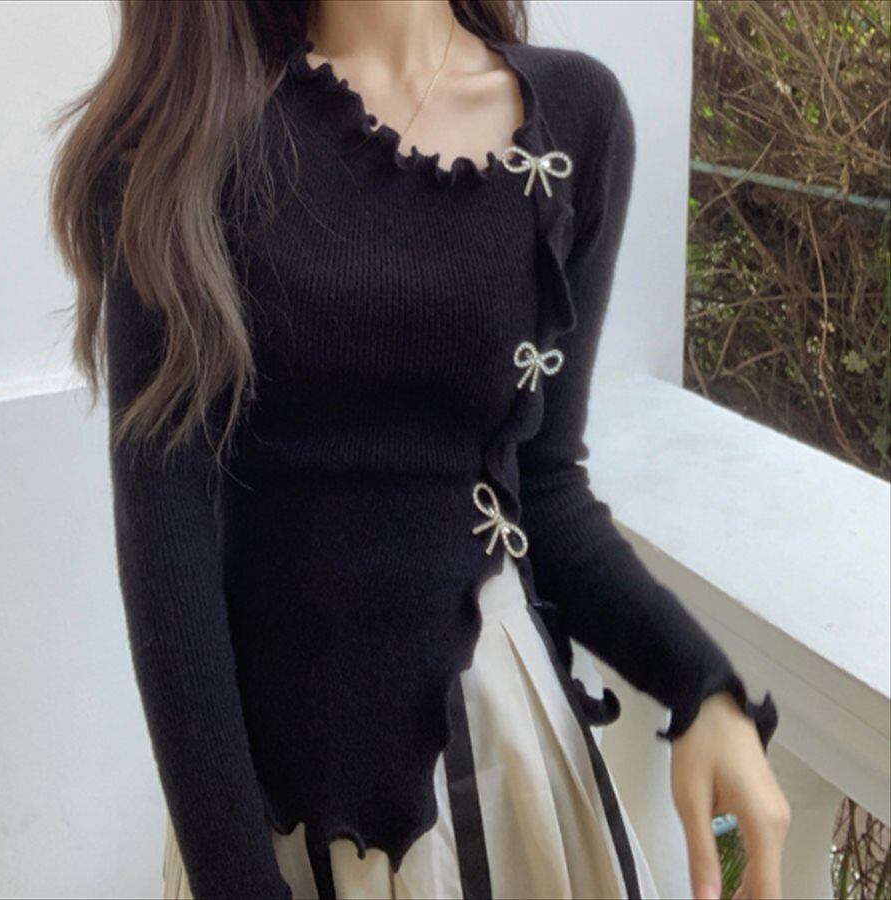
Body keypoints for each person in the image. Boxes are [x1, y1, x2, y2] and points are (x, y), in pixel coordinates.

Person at [49, 1, 790, 898]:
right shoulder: (181, 136)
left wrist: (700, 683)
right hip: (283, 818)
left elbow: (544, 488)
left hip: (514, 762)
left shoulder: (576, 119)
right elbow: (166, 552)